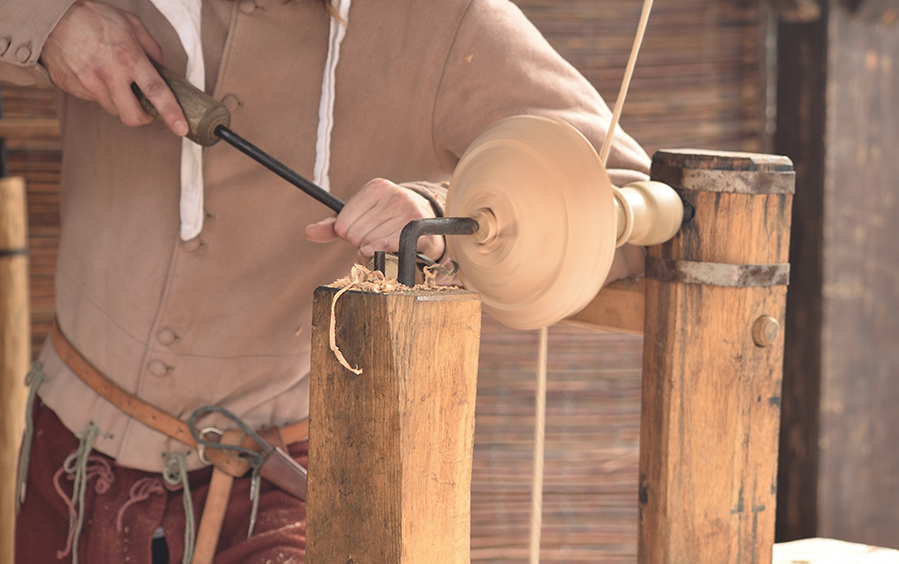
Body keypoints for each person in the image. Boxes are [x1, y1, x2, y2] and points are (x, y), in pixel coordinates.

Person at [0, 0, 651, 562]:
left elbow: (628, 202)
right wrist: (51, 19)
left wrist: (439, 213)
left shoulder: (449, 24)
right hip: (68, 465)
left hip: (276, 494)